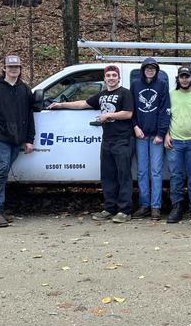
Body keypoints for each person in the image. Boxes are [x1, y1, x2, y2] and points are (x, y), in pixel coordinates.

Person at [50, 65, 134, 222]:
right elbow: (83, 103)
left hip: (123, 139)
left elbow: (128, 113)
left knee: (123, 176)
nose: (111, 78)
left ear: (118, 77)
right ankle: (109, 208)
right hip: (107, 140)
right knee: (107, 176)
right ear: (105, 78)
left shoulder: (125, 93)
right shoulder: (101, 95)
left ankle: (125, 211)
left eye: (113, 75)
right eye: (108, 75)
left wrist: (107, 115)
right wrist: (60, 105)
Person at [0, 55, 35, 227]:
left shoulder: (24, 89)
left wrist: (29, 139)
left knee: (2, 173)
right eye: (10, 67)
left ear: (20, 68)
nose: (13, 70)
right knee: (1, 170)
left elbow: (29, 115)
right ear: (4, 69)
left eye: (16, 67)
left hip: (17, 140)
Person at [131, 57, 170, 219]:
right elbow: (130, 108)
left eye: (153, 68)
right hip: (140, 135)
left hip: (156, 137)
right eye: (147, 68)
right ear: (143, 69)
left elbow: (165, 110)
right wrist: (135, 127)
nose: (150, 70)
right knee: (141, 172)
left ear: (156, 70)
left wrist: (161, 133)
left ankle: (156, 207)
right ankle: (144, 205)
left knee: (155, 172)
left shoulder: (161, 86)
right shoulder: (135, 85)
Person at [165, 67, 191, 223]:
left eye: (187, 77)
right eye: (182, 77)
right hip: (174, 142)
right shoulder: (170, 95)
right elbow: (165, 116)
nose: (185, 79)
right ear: (178, 79)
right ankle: (177, 207)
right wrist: (166, 134)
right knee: (176, 176)